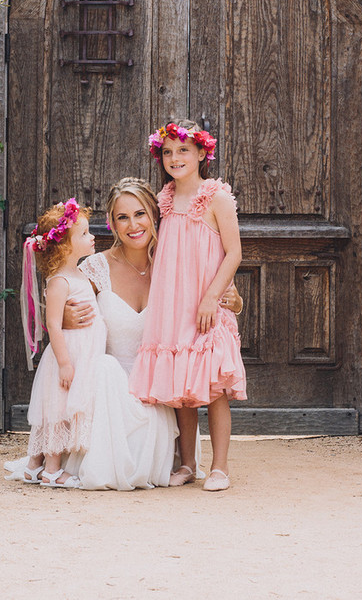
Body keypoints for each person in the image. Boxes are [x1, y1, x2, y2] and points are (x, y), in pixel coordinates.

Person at [6, 179, 242, 490]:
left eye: (140, 214)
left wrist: (234, 301)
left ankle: (187, 461)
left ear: (154, 218)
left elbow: (224, 297)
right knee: (105, 369)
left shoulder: (173, 267)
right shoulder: (95, 268)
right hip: (105, 398)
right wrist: (63, 317)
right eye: (122, 217)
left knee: (153, 429)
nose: (133, 225)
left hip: (155, 394)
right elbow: (59, 294)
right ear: (112, 224)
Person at [129, 120, 247, 491]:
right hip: (173, 303)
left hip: (204, 303)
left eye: (183, 150)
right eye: (167, 152)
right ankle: (187, 464)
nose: (175, 158)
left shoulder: (217, 198)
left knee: (212, 388)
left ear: (201, 154)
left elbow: (234, 252)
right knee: (183, 385)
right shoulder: (163, 200)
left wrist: (214, 296)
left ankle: (221, 467)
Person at [20, 198, 102, 487]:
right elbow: (54, 323)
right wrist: (65, 363)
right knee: (57, 410)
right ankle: (52, 470)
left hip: (82, 355)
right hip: (66, 358)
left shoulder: (79, 274)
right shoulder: (59, 281)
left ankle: (34, 466)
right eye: (84, 234)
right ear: (65, 245)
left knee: (67, 408)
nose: (92, 237)